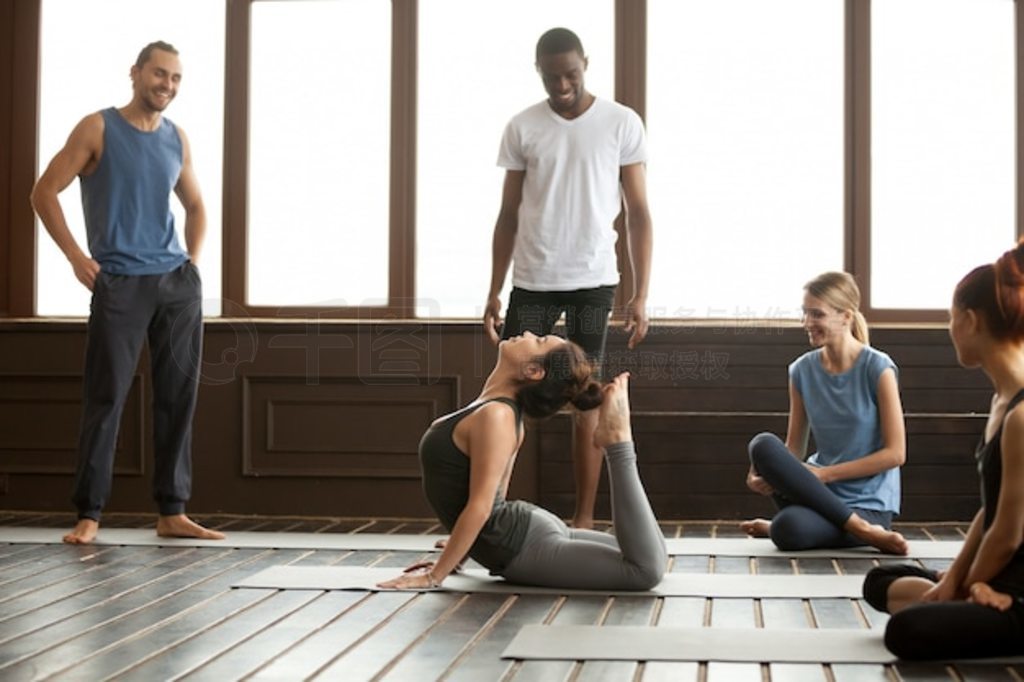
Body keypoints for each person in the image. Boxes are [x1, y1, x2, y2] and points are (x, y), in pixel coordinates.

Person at [30, 41, 224, 544]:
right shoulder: (97, 127)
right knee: (106, 396)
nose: (168, 85)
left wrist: (192, 266)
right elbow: (43, 191)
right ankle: (89, 515)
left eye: (177, 78)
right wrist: (76, 256)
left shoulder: (175, 138)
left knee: (177, 397)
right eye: (160, 74)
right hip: (119, 282)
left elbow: (198, 206)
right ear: (136, 73)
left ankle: (171, 512)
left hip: (175, 284)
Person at [482, 27, 654, 530]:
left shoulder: (621, 122)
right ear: (538, 71)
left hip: (593, 279)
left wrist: (640, 294)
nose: (562, 85)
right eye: (552, 76)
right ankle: (486, 513)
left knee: (585, 398)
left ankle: (582, 519)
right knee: (506, 395)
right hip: (533, 276)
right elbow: (507, 213)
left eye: (571, 74)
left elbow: (639, 213)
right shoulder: (522, 127)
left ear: (586, 64)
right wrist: (493, 288)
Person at [378, 332, 667, 591]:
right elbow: (490, 500)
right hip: (528, 534)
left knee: (645, 569)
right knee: (649, 555)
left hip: (523, 546)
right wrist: (454, 558)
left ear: (533, 370)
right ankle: (618, 439)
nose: (528, 333)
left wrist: (434, 576)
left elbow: (481, 506)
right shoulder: (494, 412)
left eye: (539, 340)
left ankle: (618, 441)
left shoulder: (497, 416)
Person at [862, 242, 1024, 660]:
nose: (949, 329)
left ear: (970, 321)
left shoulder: (1022, 414)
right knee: (878, 582)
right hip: (995, 579)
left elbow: (1008, 534)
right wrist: (956, 577)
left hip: (1016, 595)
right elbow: (990, 511)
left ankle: (970, 603)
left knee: (906, 630)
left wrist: (963, 586)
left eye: (950, 319)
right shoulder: (1002, 402)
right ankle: (966, 600)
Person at [740, 272, 908, 554]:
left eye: (816, 314)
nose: (807, 323)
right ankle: (855, 531)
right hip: (815, 495)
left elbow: (895, 454)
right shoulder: (801, 370)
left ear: (846, 316)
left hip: (868, 506)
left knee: (786, 529)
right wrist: (758, 473)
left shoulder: (878, 368)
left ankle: (863, 528)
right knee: (762, 445)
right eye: (805, 314)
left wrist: (825, 475)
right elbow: (794, 449)